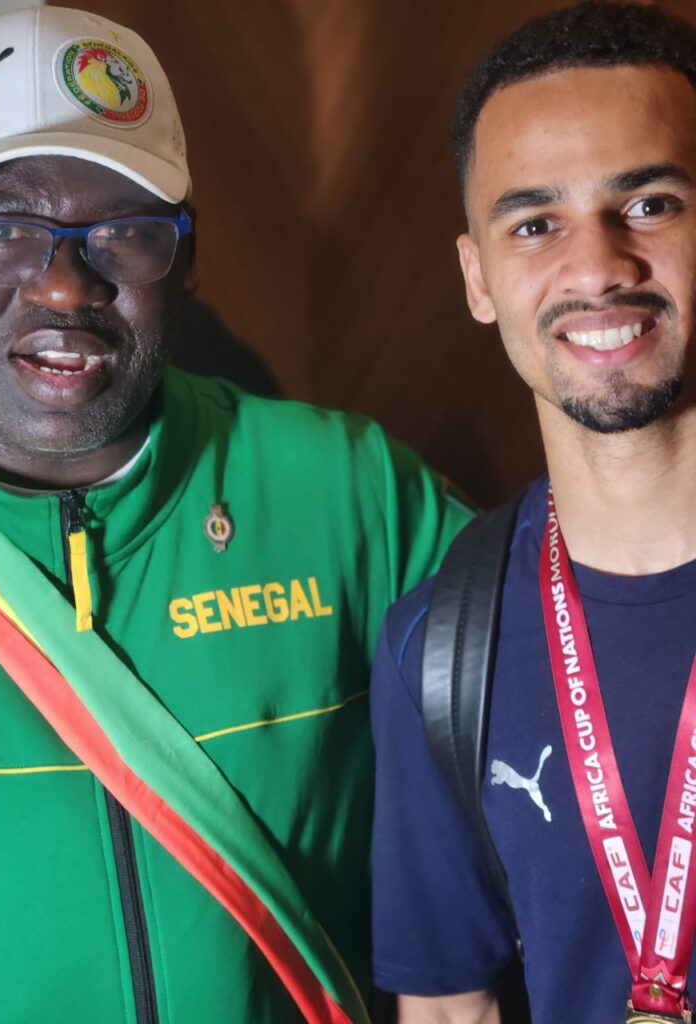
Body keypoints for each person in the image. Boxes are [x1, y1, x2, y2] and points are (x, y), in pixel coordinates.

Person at [0, 7, 470, 1023]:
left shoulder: (347, 489)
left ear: (189, 262)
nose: (65, 286)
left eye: (126, 231)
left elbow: (566, 723)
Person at [370, 2, 696, 1022]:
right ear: (478, 277)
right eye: (535, 224)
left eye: (649, 203)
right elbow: (447, 1008)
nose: (597, 267)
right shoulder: (439, 649)